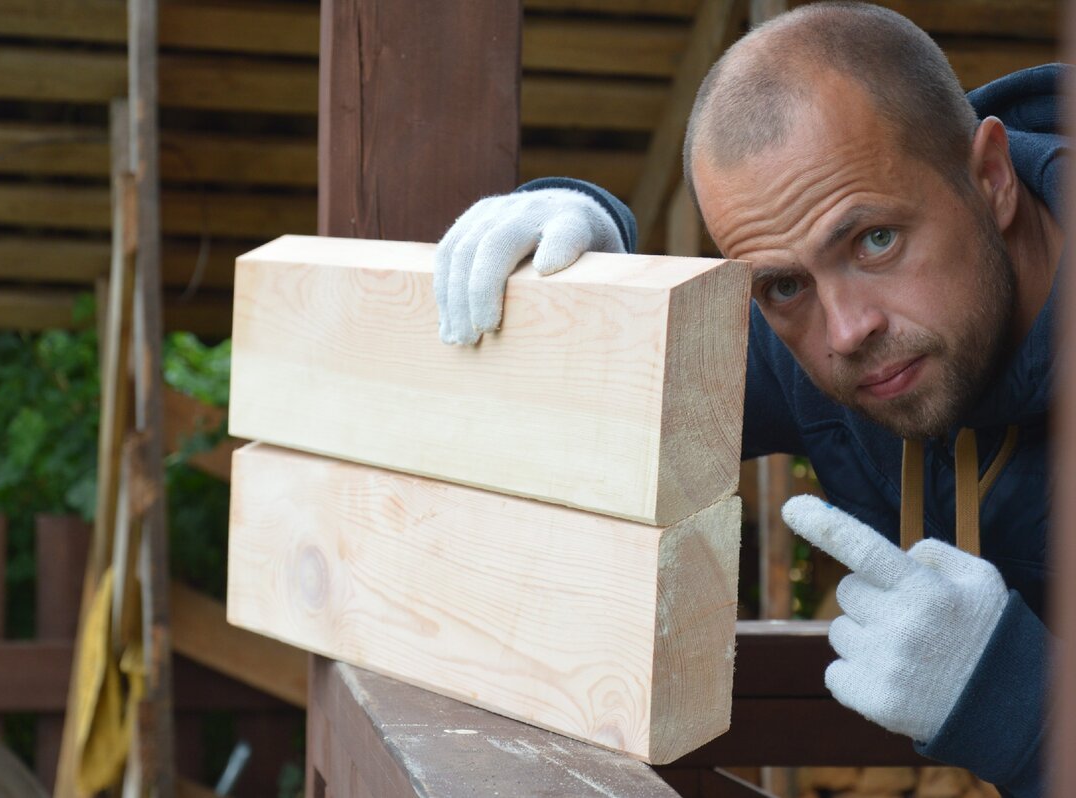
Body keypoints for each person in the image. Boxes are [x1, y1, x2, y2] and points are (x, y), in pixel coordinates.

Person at [432, 5, 1063, 797]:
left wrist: (1018, 707)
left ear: (992, 178)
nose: (845, 332)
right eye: (784, 284)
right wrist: (584, 245)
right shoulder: (826, 341)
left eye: (875, 240)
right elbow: (625, 385)